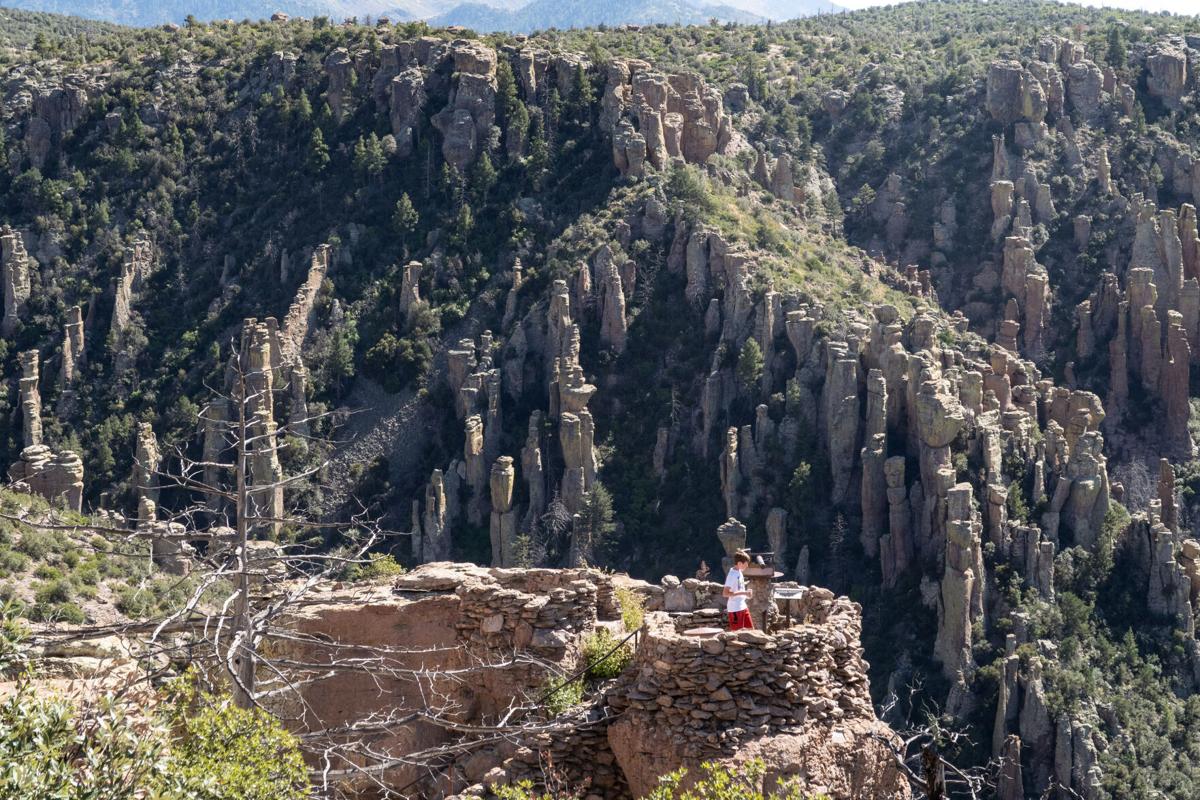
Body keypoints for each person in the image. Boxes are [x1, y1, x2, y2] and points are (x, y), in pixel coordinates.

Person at [723, 550, 754, 630]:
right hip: (734, 609)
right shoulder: (732, 575)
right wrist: (744, 592)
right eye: (746, 564)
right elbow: (725, 593)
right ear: (739, 563)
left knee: (751, 630)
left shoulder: (739, 571)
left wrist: (746, 595)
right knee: (737, 633)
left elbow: (739, 588)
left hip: (743, 606)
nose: (747, 566)